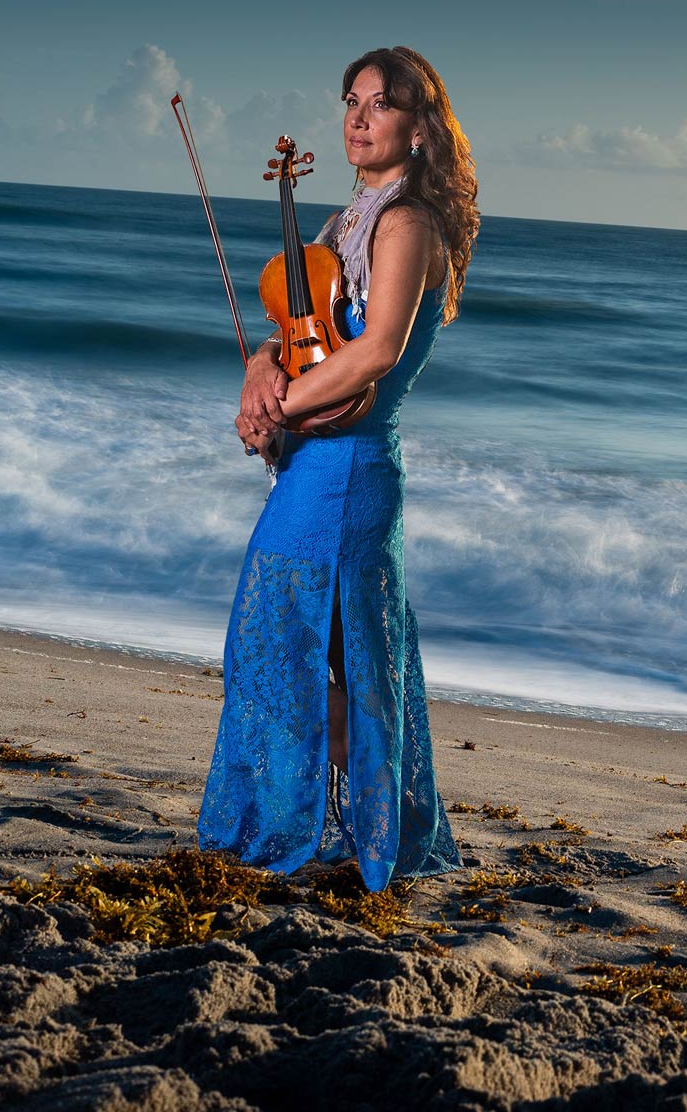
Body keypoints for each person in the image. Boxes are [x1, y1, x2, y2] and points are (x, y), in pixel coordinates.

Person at [197, 46, 480, 892]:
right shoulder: (339, 223)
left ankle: (355, 803)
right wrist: (259, 373)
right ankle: (367, 814)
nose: (358, 117)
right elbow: (293, 333)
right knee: (326, 649)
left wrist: (281, 409)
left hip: (350, 469)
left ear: (420, 129)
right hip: (317, 463)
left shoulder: (406, 225)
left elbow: (374, 351)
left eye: (380, 103)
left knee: (278, 644)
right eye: (351, 100)